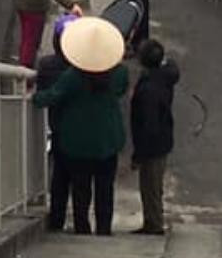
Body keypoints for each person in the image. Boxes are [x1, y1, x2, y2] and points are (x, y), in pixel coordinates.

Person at [33, 17, 128, 236]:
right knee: (105, 189)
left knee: (80, 189)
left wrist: (35, 96)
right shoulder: (119, 73)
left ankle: (82, 228)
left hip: (76, 141)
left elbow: (51, 97)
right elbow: (121, 90)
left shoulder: (74, 76)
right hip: (108, 139)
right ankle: (104, 229)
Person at [130, 40, 180, 235]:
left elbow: (148, 125)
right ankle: (152, 221)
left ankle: (154, 223)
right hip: (163, 139)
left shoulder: (149, 88)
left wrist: (139, 154)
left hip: (152, 144)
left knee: (150, 186)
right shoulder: (165, 77)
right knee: (153, 185)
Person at [36, 17, 75, 231]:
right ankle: (84, 224)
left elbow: (42, 92)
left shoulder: (47, 65)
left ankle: (57, 221)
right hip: (82, 130)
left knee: (60, 177)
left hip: (59, 128)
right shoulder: (87, 66)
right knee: (82, 180)